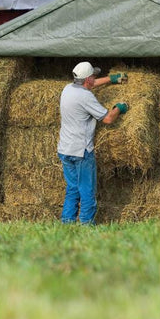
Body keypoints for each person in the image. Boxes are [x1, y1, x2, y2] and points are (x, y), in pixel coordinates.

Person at [57, 61, 128, 224]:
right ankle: (87, 224)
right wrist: (119, 108)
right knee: (87, 190)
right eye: (93, 75)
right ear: (87, 79)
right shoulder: (86, 96)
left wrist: (112, 79)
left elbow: (92, 84)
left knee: (72, 188)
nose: (95, 78)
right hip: (81, 152)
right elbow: (108, 119)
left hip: (65, 149)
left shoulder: (67, 89)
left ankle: (67, 223)